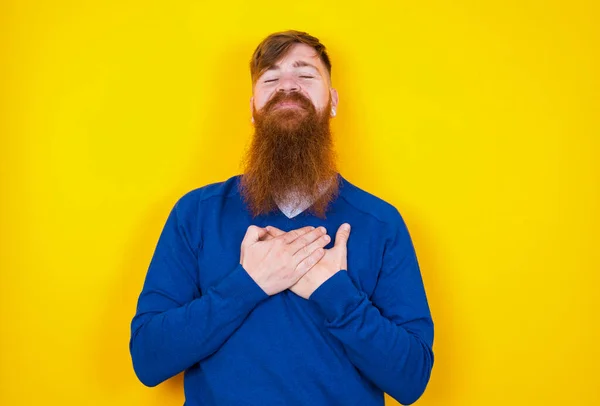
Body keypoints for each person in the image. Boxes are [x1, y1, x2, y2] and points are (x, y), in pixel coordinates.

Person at [130, 30, 434, 406]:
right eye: (270, 79)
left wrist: (334, 292)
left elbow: (412, 380)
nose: (287, 86)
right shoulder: (195, 213)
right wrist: (249, 283)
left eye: (306, 75)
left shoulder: (381, 223)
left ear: (334, 102)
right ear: (253, 108)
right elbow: (148, 359)